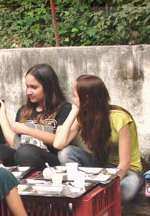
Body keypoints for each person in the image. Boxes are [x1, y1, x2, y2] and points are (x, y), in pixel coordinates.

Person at [53, 74, 143, 202]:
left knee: (127, 189)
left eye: (75, 96)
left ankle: (97, 198)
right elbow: (58, 144)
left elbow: (125, 163)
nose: (73, 99)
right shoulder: (83, 117)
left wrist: (107, 185)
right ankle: (83, 189)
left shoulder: (119, 118)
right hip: (100, 168)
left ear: (87, 98)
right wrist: (73, 111)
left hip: (127, 171)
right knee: (65, 152)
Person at [0, 64, 72, 170]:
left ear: (48, 87)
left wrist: (26, 129)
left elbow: (58, 141)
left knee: (26, 152)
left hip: (50, 160)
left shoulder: (64, 108)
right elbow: (15, 143)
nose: (28, 92)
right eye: (27, 86)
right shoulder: (24, 110)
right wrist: (1, 115)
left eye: (34, 87)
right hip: (22, 155)